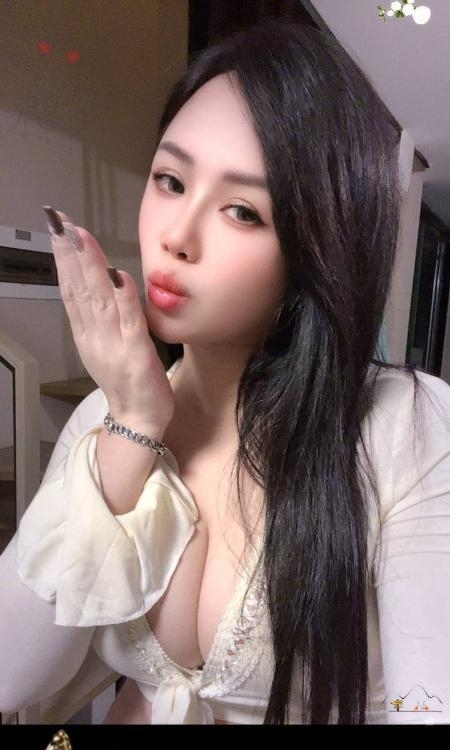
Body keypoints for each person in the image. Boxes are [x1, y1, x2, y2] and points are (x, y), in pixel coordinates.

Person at [1, 19, 449, 726]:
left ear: (317, 247)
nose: (176, 236)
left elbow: (428, 704)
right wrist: (132, 426)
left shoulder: (406, 423)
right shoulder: (106, 420)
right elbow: (10, 680)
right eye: (170, 181)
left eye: (242, 211)